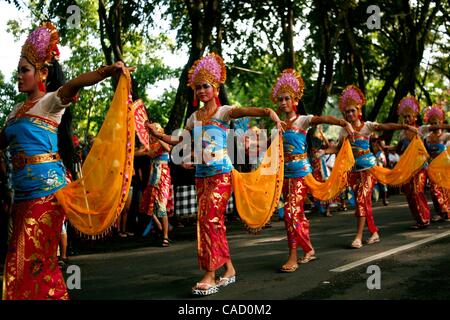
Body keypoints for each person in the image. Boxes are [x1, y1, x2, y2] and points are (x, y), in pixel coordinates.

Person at [0, 22, 130, 300]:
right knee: (29, 262)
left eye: (25, 70)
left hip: (48, 194)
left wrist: (108, 70)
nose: (19, 75)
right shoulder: (13, 112)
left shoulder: (49, 103)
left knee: (27, 259)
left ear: (43, 73)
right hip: (21, 197)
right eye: (19, 69)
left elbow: (74, 83)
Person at [146, 52, 284, 296]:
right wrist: (158, 136)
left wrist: (267, 111)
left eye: (205, 86)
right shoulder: (193, 117)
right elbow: (180, 140)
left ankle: (210, 272)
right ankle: (228, 269)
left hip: (221, 174)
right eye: (198, 87)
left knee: (208, 221)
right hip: (201, 176)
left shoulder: (223, 112)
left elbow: (244, 112)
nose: (201, 91)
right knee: (211, 223)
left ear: (216, 87)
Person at [273, 69, 354, 272]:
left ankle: (293, 256)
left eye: (287, 98)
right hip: (285, 175)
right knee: (295, 215)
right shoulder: (279, 125)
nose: (283, 102)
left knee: (291, 213)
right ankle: (308, 250)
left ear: (295, 101)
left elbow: (324, 119)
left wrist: (343, 122)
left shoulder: (303, 120)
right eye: (280, 99)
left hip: (301, 174)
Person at [332, 85, 418, 249]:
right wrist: (323, 151)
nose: (350, 114)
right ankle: (373, 233)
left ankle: (358, 237)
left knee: (361, 200)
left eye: (353, 111)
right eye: (347, 112)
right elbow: (337, 149)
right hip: (354, 171)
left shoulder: (367, 126)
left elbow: (386, 126)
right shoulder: (344, 132)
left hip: (369, 170)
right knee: (363, 203)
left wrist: (404, 126)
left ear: (359, 111)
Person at [138, 122, 173, 246]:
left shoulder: (162, 141)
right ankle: (160, 227)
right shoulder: (149, 145)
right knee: (148, 204)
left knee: (161, 206)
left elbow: (169, 149)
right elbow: (137, 153)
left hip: (163, 176)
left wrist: (157, 135)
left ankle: (165, 236)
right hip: (153, 176)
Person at [423, 104, 450, 222]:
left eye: (436, 123)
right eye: (432, 123)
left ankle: (446, 211)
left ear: (441, 122)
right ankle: (440, 212)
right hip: (433, 168)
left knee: (446, 189)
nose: (434, 125)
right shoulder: (427, 138)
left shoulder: (447, 136)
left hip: (445, 167)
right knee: (434, 190)